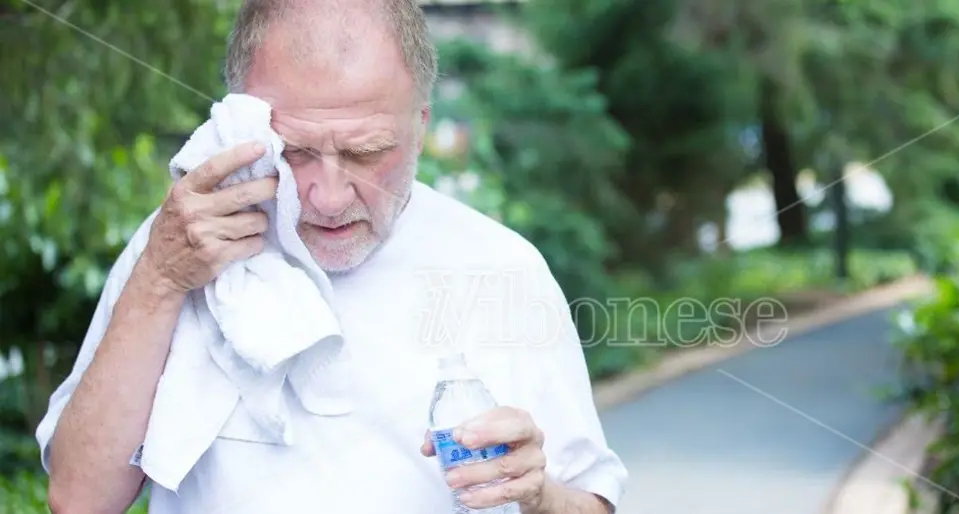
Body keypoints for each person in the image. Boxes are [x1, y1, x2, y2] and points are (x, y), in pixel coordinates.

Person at [35, 0, 628, 512]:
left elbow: (588, 498)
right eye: (293, 152)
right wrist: (162, 280)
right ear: (241, 122)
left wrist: (538, 495)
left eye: (366, 153)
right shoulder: (180, 245)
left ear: (420, 126)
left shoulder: (502, 268)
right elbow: (79, 499)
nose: (329, 197)